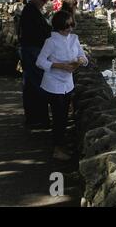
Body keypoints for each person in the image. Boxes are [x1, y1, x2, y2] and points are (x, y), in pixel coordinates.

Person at [36, 10, 88, 160]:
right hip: (53, 84)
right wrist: (59, 66)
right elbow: (39, 62)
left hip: (68, 84)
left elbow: (83, 57)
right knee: (59, 118)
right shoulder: (51, 42)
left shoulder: (74, 39)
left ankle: (60, 146)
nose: (70, 29)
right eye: (67, 26)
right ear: (59, 26)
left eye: (71, 25)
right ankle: (57, 149)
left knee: (64, 117)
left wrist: (80, 61)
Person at [18, 0, 52, 127]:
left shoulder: (31, 10)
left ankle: (33, 118)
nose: (44, 3)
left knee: (31, 85)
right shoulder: (31, 11)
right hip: (32, 52)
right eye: (43, 0)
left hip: (30, 51)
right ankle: (40, 119)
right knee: (38, 84)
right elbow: (42, 31)